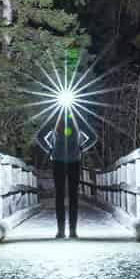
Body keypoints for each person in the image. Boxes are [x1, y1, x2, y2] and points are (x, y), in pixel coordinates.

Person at [34, 101, 98, 238]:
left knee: (61, 196)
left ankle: (62, 230)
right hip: (72, 161)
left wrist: (50, 149)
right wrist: (81, 148)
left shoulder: (57, 120)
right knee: (71, 196)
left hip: (61, 161)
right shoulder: (76, 121)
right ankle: (70, 230)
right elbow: (92, 137)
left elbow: (40, 137)